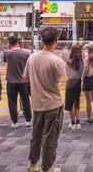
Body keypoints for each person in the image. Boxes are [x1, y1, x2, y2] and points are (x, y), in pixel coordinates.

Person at [25, 27, 67, 172]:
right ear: (56, 41)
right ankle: (48, 167)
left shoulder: (32, 57)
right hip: (53, 104)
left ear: (42, 40)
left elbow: (25, 78)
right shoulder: (57, 61)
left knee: (35, 136)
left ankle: (33, 164)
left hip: (36, 104)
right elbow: (62, 80)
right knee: (50, 138)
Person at [3, 35, 32, 128]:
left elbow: (4, 61)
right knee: (25, 100)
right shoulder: (26, 53)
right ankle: (28, 120)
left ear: (9, 43)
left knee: (12, 101)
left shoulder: (7, 53)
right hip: (23, 81)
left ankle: (14, 121)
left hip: (11, 81)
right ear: (18, 42)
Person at [63, 44, 83, 130]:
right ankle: (78, 122)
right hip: (78, 82)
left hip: (70, 83)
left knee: (70, 103)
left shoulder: (69, 61)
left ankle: (72, 122)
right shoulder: (81, 61)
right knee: (77, 102)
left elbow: (63, 54)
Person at [82, 42, 93, 124]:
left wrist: (82, 78)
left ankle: (89, 117)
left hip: (88, 79)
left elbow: (85, 69)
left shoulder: (87, 58)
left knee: (88, 100)